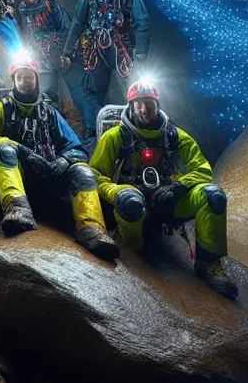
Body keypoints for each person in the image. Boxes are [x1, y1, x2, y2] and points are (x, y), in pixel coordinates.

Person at [91, 80, 235, 297]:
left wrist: (179, 186)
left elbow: (203, 169)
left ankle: (209, 263)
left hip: (166, 200)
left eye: (148, 102)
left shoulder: (173, 135)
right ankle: (133, 253)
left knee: (213, 196)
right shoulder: (116, 136)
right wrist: (118, 192)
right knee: (131, 203)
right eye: (138, 103)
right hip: (132, 202)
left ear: (157, 104)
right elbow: (96, 174)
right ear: (131, 106)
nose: (144, 108)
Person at [0, 58, 119, 258]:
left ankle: (93, 230)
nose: (25, 81)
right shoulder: (0, 108)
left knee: (81, 170)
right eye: (20, 77)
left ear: (36, 80)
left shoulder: (49, 113)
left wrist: (65, 160)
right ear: (13, 81)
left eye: (29, 77)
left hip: (46, 174)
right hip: (15, 174)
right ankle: (18, 211)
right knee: (3, 149)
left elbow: (76, 148)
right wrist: (22, 151)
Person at [62, 0, 151, 138]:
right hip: (98, 52)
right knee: (93, 92)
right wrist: (67, 50)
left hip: (122, 51)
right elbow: (77, 24)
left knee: (135, 89)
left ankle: (139, 128)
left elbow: (142, 24)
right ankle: (91, 132)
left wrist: (140, 55)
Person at [12, 0, 73, 103]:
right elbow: (18, 32)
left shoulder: (51, 7)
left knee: (49, 97)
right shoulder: (21, 12)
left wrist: (60, 51)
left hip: (51, 60)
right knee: (31, 96)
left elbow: (66, 28)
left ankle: (53, 118)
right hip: (30, 62)